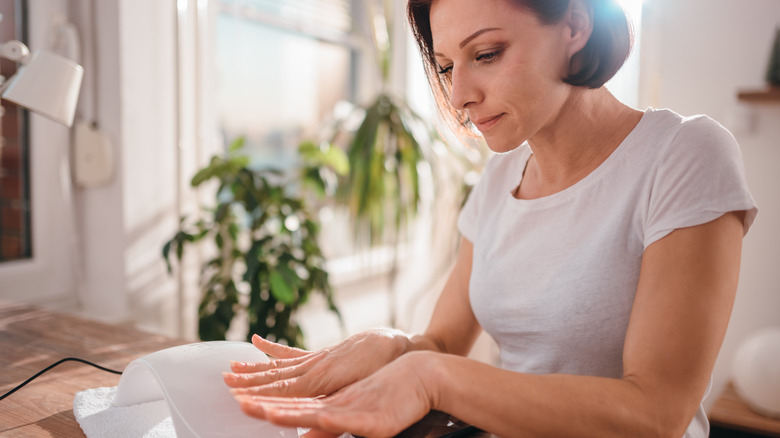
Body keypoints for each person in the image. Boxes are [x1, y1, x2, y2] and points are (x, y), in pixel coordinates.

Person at [224, 0, 758, 436]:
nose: (459, 96)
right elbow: (441, 343)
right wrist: (392, 345)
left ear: (574, 24)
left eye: (486, 53)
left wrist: (433, 377)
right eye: (448, 67)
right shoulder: (498, 180)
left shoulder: (684, 154)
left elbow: (656, 412)